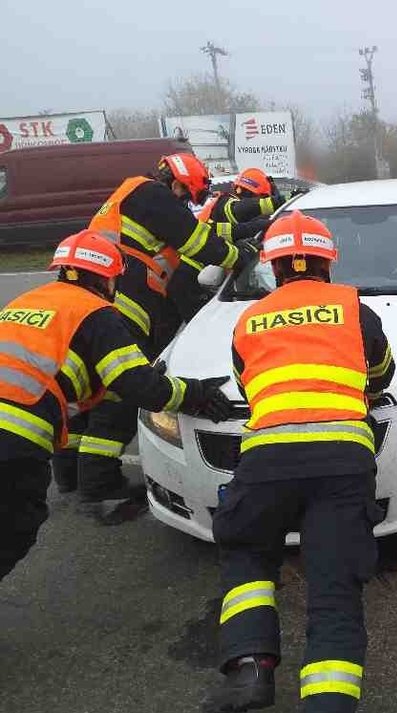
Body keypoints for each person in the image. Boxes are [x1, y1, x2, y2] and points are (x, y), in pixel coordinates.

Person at [203, 211, 395, 713]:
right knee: (334, 591)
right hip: (343, 463)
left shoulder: (250, 319)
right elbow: (381, 372)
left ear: (273, 266)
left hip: (267, 461)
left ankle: (249, 666)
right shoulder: (354, 308)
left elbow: (250, 386)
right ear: (328, 262)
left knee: (245, 547)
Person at [0, 230, 233, 581]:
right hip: (13, 439)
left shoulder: (27, 302)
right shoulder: (96, 314)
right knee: (15, 526)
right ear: (106, 278)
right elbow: (137, 384)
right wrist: (195, 393)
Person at [51, 154, 264, 508]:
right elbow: (198, 242)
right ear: (178, 182)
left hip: (100, 304)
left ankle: (69, 475)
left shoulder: (135, 199)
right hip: (123, 308)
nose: (185, 203)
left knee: (87, 394)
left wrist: (250, 232)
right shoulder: (151, 194)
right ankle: (99, 482)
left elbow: (205, 230)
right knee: (118, 397)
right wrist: (239, 258)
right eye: (186, 195)